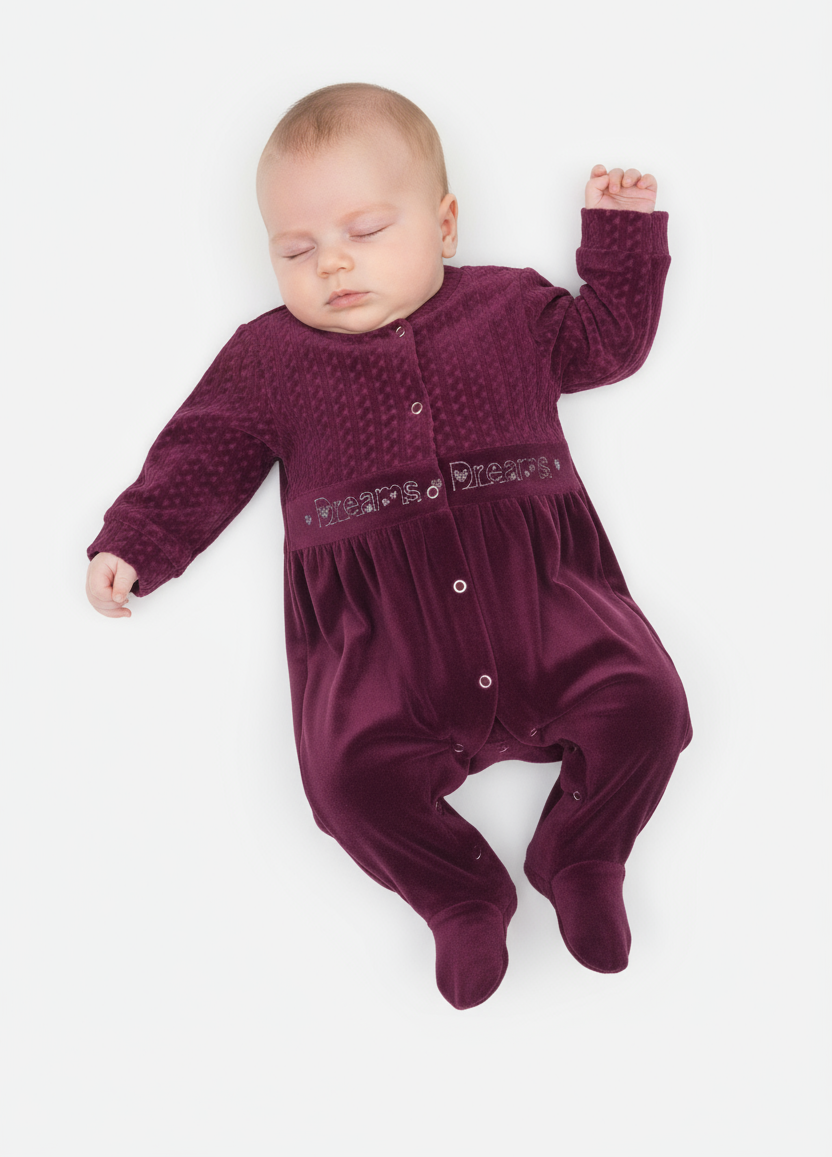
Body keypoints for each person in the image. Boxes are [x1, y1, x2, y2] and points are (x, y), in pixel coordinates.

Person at [86, 82, 693, 1010]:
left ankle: (582, 850)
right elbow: (203, 452)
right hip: (380, 649)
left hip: (547, 607)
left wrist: (621, 238)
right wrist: (138, 541)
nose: (332, 263)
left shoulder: (510, 308)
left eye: (366, 231)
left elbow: (607, 345)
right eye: (296, 250)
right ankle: (459, 894)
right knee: (344, 784)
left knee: (651, 708)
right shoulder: (268, 359)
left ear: (443, 225)